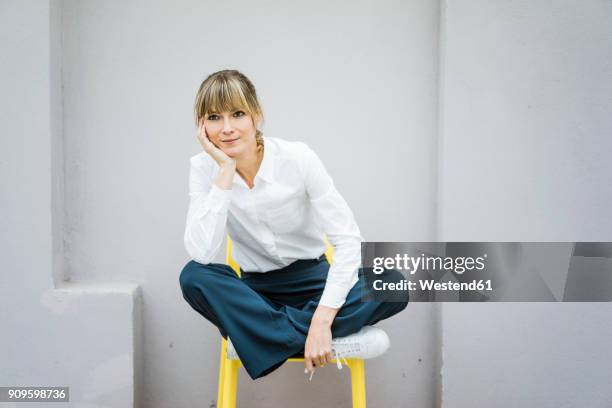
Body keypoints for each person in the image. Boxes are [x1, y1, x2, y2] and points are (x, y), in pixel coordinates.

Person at [179, 69, 408, 381]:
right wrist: (224, 173)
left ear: (256, 116)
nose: (227, 128)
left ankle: (268, 337)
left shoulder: (297, 158)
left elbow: (348, 240)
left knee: (392, 283)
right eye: (214, 117)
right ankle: (281, 332)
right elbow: (202, 253)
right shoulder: (203, 168)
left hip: (314, 281)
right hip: (256, 295)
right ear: (202, 126)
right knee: (193, 276)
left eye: (237, 114)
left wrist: (323, 319)